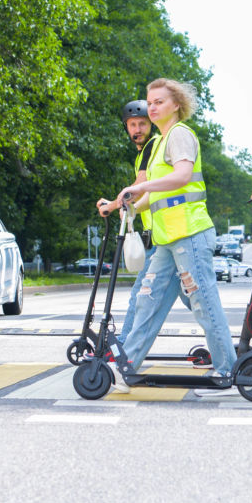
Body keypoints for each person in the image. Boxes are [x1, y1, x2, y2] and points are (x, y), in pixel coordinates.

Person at [110, 79, 236, 395]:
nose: (152, 107)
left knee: (204, 302)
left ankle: (227, 370)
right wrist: (134, 208)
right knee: (147, 301)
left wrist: (141, 187)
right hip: (169, 238)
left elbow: (180, 176)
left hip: (190, 233)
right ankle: (126, 368)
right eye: (150, 102)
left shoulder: (179, 135)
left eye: (159, 102)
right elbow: (157, 193)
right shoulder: (160, 143)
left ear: (176, 105)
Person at [95, 100, 191, 350]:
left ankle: (123, 350)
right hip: (161, 236)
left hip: (167, 234)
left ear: (151, 124)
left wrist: (113, 205)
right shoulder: (144, 153)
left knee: (142, 295)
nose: (137, 129)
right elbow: (143, 193)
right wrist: (131, 208)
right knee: (194, 298)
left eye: (142, 124)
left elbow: (137, 187)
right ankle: (224, 344)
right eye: (132, 125)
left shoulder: (151, 146)